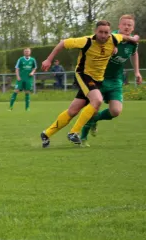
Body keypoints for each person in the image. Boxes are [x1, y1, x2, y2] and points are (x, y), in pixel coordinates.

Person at [40, 20, 138, 148]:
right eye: (100, 32)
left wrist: (134, 38)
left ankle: (46, 133)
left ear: (110, 33)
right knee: (97, 100)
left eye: (106, 32)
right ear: (95, 32)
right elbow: (63, 43)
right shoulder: (86, 41)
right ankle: (74, 132)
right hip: (83, 75)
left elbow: (125, 37)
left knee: (73, 110)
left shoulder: (114, 39)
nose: (103, 35)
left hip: (98, 79)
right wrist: (48, 59)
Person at [80, 15, 142, 146]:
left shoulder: (132, 44)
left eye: (129, 25)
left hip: (115, 80)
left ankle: (95, 120)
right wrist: (107, 49)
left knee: (116, 111)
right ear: (118, 26)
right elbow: (95, 43)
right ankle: (83, 137)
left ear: (133, 28)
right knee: (93, 108)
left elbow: (134, 53)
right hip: (99, 78)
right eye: (124, 24)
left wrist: (136, 72)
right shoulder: (110, 37)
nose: (126, 27)